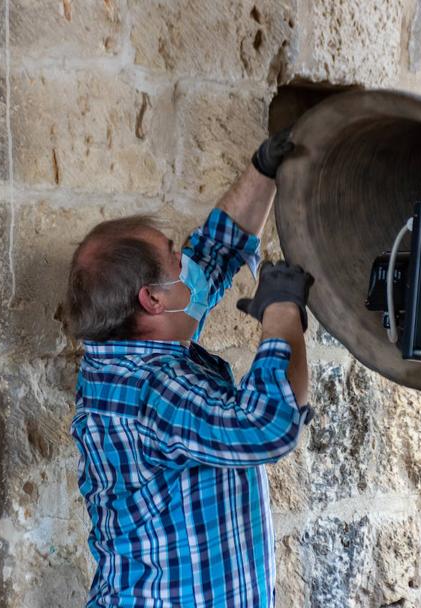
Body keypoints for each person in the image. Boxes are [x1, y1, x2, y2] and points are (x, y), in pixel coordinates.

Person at [65, 130, 315, 607]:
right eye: (175, 254)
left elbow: (213, 255)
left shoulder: (128, 348)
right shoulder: (153, 390)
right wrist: (282, 312)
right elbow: (266, 426)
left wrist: (263, 169)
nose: (188, 260)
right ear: (153, 301)